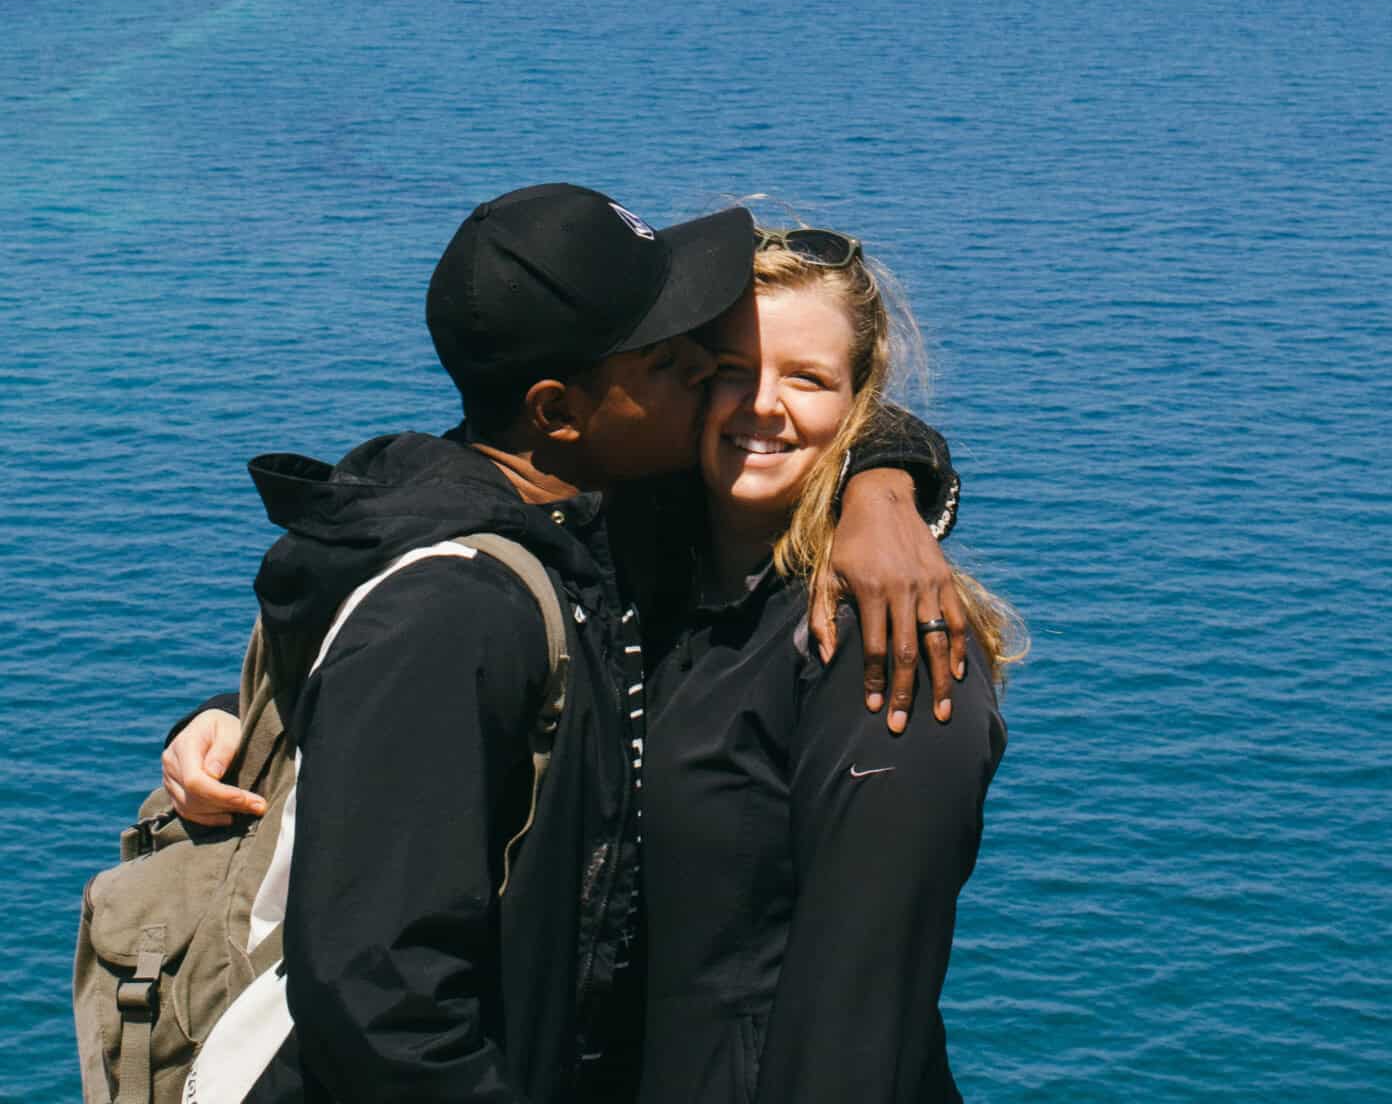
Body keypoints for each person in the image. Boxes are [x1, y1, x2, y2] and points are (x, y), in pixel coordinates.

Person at [158, 185, 964, 1104]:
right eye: (675, 364)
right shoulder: (459, 605)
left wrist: (884, 482)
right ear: (556, 411)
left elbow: (827, 400)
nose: (712, 380)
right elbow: (383, 1002)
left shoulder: (602, 519)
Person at [636, 225, 1017, 1104]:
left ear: (858, 404)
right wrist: (249, 709)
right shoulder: (638, 576)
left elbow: (862, 1003)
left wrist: (884, 480)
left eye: (806, 379)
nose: (760, 404)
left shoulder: (889, 640)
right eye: (729, 369)